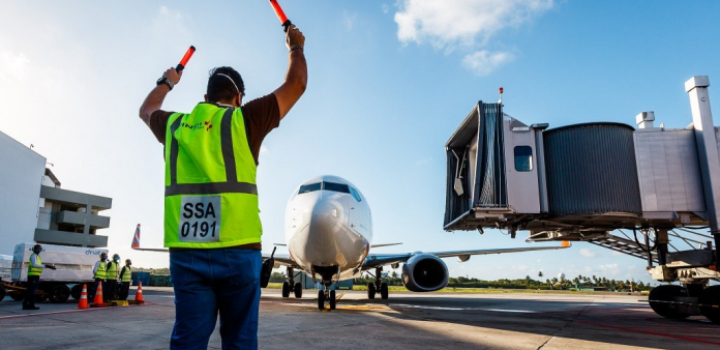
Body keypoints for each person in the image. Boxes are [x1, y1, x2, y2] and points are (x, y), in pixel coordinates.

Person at [138, 24, 307, 350]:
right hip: (238, 250)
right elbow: (296, 84)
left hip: (186, 253)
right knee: (240, 341)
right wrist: (295, 47)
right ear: (239, 97)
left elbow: (146, 111)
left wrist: (167, 82)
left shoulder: (174, 126)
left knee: (187, 340)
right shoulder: (245, 120)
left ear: (205, 98)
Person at [23, 244, 56, 310]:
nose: (39, 250)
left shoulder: (37, 256)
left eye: (40, 249)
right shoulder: (34, 256)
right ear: (35, 249)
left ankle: (26, 305)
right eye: (38, 248)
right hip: (33, 276)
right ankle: (31, 305)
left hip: (34, 275)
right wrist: (46, 266)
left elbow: (38, 264)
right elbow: (35, 265)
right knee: (32, 291)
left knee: (30, 291)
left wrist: (48, 266)